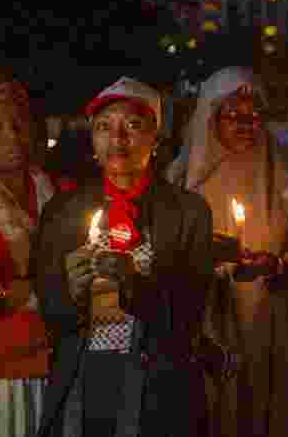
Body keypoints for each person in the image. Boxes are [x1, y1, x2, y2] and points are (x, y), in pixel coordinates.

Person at [35, 77, 214, 436]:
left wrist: (134, 284)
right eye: (103, 127)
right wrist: (72, 290)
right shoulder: (63, 211)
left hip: (158, 382)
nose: (117, 139)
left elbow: (189, 315)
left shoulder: (187, 211)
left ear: (156, 137)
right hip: (84, 376)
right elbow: (51, 314)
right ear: (92, 140)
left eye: (132, 125)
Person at [166, 67, 288, 437]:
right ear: (210, 118)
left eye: (254, 116)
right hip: (207, 318)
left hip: (266, 318)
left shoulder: (283, 173)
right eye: (234, 116)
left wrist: (277, 266)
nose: (246, 124)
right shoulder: (181, 180)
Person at [0, 69, 56, 437]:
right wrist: (5, 295)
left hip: (43, 366)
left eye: (18, 122)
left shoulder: (53, 191)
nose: (12, 136)